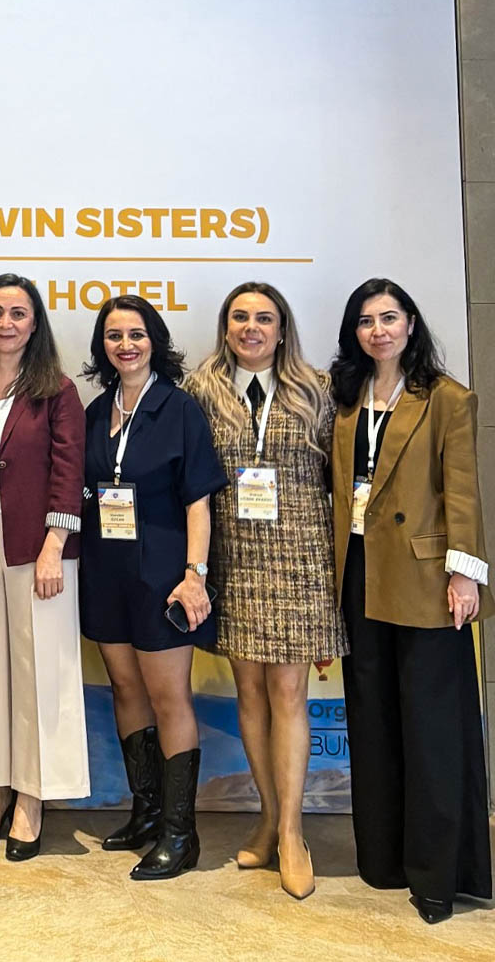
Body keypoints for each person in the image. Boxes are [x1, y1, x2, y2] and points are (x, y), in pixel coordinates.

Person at [329, 277, 491, 924]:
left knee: (432, 727)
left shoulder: (446, 397)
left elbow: (463, 492)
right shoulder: (347, 398)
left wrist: (465, 575)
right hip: (360, 575)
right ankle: (384, 859)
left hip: (427, 579)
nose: (379, 330)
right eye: (367, 320)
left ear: (411, 324)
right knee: (372, 719)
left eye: (389, 317)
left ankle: (438, 875)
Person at [182, 282, 345, 899]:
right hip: (234, 559)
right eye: (240, 317)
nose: (251, 327)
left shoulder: (318, 389)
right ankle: (270, 817)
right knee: (249, 692)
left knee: (289, 693)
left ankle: (295, 834)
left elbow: (339, 476)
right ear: (226, 327)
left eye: (264, 318)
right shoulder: (201, 391)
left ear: (282, 329)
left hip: (301, 560)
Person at [79, 294, 227, 880]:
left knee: (169, 699)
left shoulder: (179, 408)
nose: (126, 345)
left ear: (154, 341)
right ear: (103, 346)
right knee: (124, 689)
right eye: (114, 335)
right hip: (106, 571)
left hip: (163, 574)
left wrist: (195, 575)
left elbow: (198, 501)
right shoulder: (96, 412)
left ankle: (180, 833)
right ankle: (146, 813)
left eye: (136, 334)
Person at [0, 274, 89, 862]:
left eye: (18, 313)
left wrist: (55, 544)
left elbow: (69, 469)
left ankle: (32, 797)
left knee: (38, 671)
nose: (6, 323)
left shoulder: (56, 389)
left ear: (35, 324)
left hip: (37, 545)